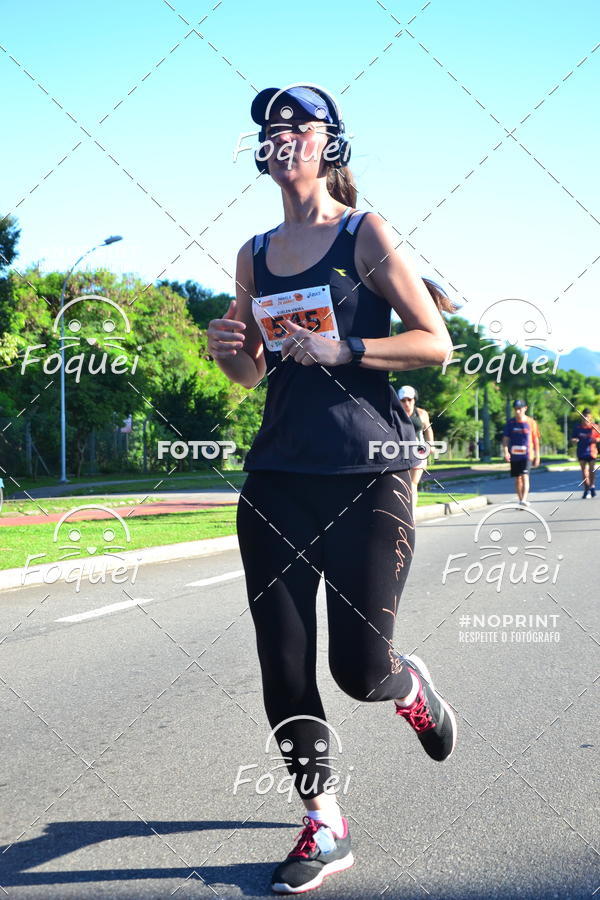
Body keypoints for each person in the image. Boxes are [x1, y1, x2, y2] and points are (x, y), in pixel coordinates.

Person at [208, 84, 457, 895]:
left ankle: (406, 684)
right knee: (283, 663)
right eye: (271, 128)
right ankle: (324, 821)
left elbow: (435, 343)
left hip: (369, 474)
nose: (283, 137)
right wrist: (228, 349)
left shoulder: (363, 234)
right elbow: (251, 373)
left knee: (358, 670)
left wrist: (347, 349)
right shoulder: (252, 252)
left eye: (299, 125)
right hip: (278, 477)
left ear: (328, 143)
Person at [397, 384, 433, 515]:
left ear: (414, 399)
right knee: (402, 483)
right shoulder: (395, 414)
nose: (406, 403)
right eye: (403, 400)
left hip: (419, 451)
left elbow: (428, 430)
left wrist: (431, 445)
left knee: (413, 483)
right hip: (400, 452)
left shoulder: (422, 413)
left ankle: (411, 515)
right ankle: (402, 511)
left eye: (409, 400)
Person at [501, 399, 541, 506]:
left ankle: (524, 499)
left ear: (525, 408)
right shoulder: (510, 423)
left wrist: (537, 456)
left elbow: (535, 440)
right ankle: (520, 501)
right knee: (517, 478)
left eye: (519, 409)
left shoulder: (531, 422)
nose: (517, 411)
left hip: (527, 455)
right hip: (515, 455)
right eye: (516, 409)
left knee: (524, 475)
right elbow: (505, 439)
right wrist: (506, 452)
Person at [571, 407, 599, 498]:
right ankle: (586, 488)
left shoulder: (595, 427)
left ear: (590, 417)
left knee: (591, 470)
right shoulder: (577, 427)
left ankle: (592, 486)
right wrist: (574, 440)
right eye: (583, 416)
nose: (585, 418)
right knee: (584, 471)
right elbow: (573, 438)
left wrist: (596, 439)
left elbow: (599, 437)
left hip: (592, 451)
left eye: (587, 416)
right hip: (581, 451)